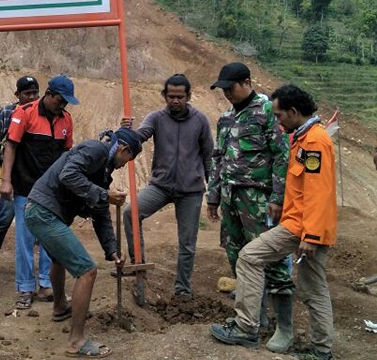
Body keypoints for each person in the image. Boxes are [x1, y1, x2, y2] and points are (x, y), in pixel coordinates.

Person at [211, 84, 337, 360]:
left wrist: (311, 235)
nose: (277, 121)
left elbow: (319, 192)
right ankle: (321, 350)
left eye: (280, 115)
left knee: (250, 256)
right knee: (313, 288)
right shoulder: (303, 138)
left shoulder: (315, 142)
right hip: (299, 224)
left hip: (304, 228)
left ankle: (246, 327)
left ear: (293, 112)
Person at [26, 127, 142, 359]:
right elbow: (68, 175)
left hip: (43, 213)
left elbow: (100, 213)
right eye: (129, 159)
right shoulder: (95, 149)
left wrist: (112, 250)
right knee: (87, 271)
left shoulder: (101, 170)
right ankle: (76, 342)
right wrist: (105, 195)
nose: (124, 164)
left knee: (58, 259)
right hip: (43, 213)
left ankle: (60, 307)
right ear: (124, 149)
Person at [205, 62, 295, 348]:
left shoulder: (269, 112)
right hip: (231, 199)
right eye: (223, 90)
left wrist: (278, 199)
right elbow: (217, 159)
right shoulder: (225, 118)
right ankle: (253, 319)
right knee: (236, 255)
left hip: (260, 200)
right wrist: (213, 196)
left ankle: (284, 329)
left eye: (230, 88)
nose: (227, 94)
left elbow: (282, 156)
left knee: (272, 260)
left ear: (246, 82)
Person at [119, 74, 214, 298]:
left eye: (180, 97)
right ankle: (138, 265)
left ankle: (182, 289)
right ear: (164, 96)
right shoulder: (156, 118)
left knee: (187, 244)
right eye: (171, 96)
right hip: (160, 186)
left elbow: (208, 155)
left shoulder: (200, 120)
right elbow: (139, 136)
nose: (175, 101)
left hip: (190, 190)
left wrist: (214, 190)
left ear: (188, 96)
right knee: (130, 213)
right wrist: (125, 131)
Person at [0, 75, 78, 309]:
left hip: (52, 191)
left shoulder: (66, 120)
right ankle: (25, 287)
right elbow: (11, 145)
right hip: (25, 186)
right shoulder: (25, 113)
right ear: (49, 94)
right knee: (24, 239)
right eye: (60, 100)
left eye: (66, 102)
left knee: (49, 238)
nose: (63, 105)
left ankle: (45, 285)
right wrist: (6, 180)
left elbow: (67, 154)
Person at [0, 75, 40, 278]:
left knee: (39, 221)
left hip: (34, 177)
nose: (31, 97)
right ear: (18, 94)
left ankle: (43, 270)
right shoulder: (7, 112)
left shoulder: (41, 114)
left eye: (34, 93)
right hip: (12, 176)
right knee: (5, 218)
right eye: (27, 93)